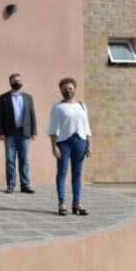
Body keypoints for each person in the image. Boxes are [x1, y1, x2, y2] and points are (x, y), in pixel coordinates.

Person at [48, 77, 92, 216]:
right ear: (61, 90)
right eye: (65, 89)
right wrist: (54, 146)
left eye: (70, 88)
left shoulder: (82, 106)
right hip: (63, 142)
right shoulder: (57, 107)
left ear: (75, 89)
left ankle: (76, 203)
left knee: (77, 173)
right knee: (62, 172)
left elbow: (86, 126)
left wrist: (89, 144)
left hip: (80, 141)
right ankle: (62, 203)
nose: (68, 91)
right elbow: (53, 129)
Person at [0, 73, 37, 194]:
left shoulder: (28, 97)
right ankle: (11, 185)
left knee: (24, 160)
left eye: (19, 80)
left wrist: (34, 131)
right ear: (10, 82)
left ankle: (25, 185)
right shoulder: (3, 98)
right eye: (14, 81)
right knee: (10, 160)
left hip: (24, 132)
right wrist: (0, 132)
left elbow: (32, 115)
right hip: (9, 133)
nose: (17, 83)